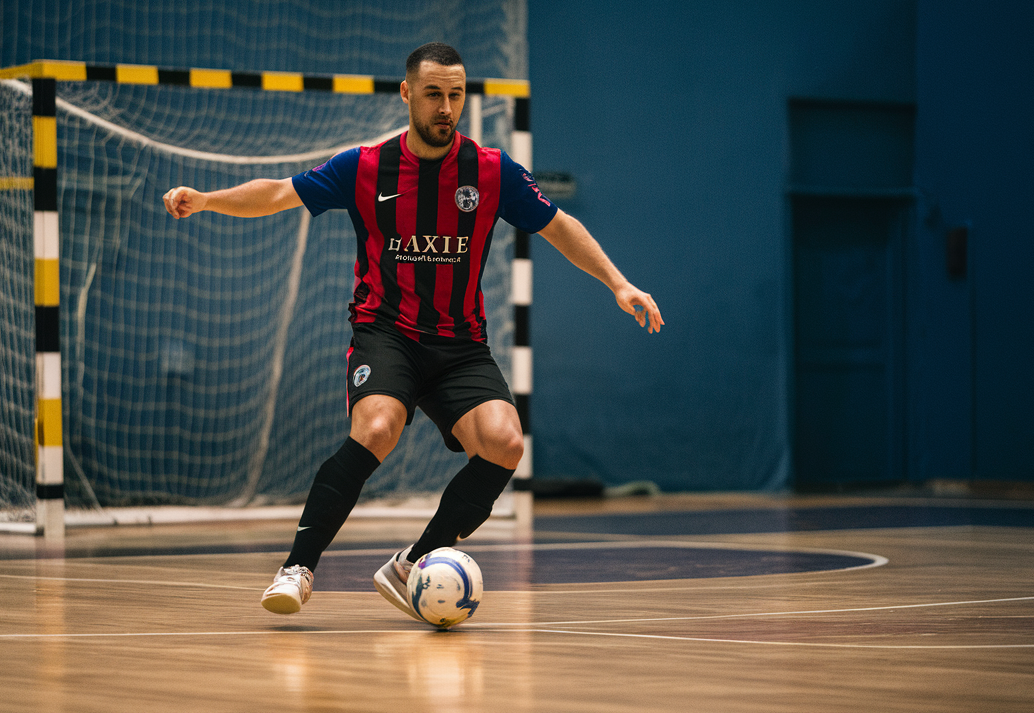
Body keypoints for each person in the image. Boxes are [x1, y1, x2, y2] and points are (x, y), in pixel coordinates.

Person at [163, 42, 662, 620]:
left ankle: (413, 564)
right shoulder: (363, 166)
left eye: (455, 94)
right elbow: (279, 192)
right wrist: (208, 200)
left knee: (505, 444)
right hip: (387, 332)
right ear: (406, 94)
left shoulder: (491, 171)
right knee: (377, 427)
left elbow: (559, 225)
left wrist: (618, 283)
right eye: (433, 94)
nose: (446, 107)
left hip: (460, 344)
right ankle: (297, 568)